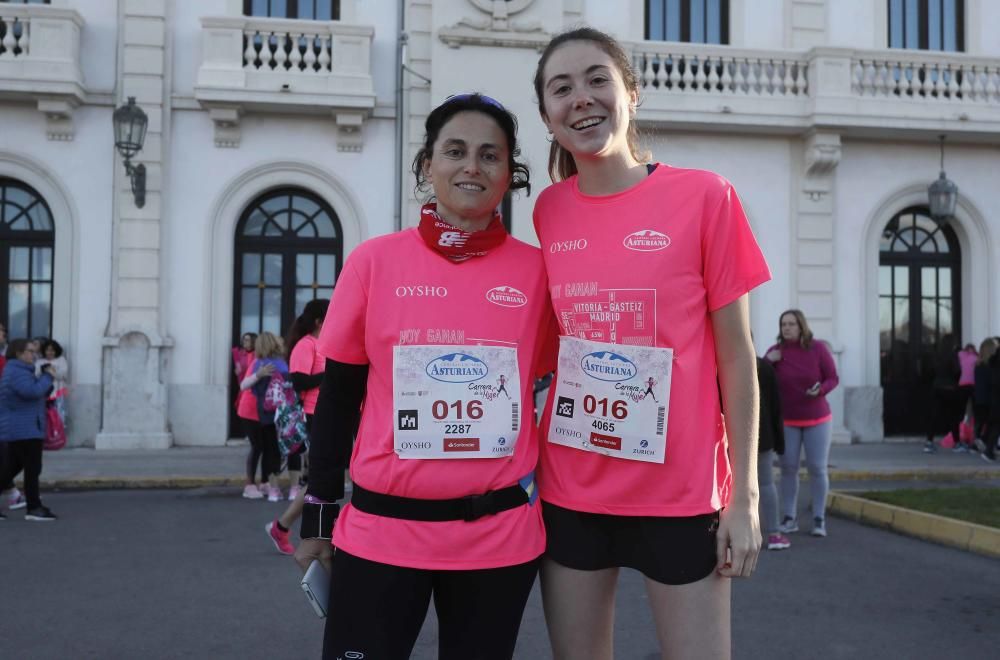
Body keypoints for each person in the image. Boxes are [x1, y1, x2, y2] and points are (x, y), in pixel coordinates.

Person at [532, 27, 770, 660]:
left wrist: (743, 497)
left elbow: (737, 358)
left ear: (630, 94)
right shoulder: (548, 211)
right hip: (572, 490)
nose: (580, 98)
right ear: (548, 117)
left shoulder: (705, 197)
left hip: (681, 494)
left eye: (596, 79)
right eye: (562, 88)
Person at [295, 93, 551, 660]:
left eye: (491, 155)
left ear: (509, 174)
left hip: (498, 539)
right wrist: (317, 513)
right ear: (426, 165)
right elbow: (339, 396)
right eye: (455, 151)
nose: (472, 166)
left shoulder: (538, 273)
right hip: (381, 533)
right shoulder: (373, 261)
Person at [765, 309, 839, 538]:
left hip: (817, 418)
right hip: (787, 421)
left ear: (801, 326)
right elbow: (759, 377)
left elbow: (833, 378)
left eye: (791, 324)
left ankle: (819, 518)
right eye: (783, 324)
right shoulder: (775, 353)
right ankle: (789, 518)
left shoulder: (817, 349)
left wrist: (821, 390)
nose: (786, 328)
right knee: (788, 469)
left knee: (817, 468)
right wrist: (768, 362)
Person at [265, 298, 329, 556]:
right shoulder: (305, 345)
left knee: (323, 480)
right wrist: (332, 374)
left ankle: (286, 528)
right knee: (320, 480)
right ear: (318, 321)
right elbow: (300, 381)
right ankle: (284, 527)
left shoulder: (323, 344)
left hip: (328, 413)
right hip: (315, 415)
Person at [0, 338, 57, 521]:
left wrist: (46, 381)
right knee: (32, 468)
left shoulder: (22, 371)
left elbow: (37, 394)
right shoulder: (16, 371)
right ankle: (34, 508)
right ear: (18, 353)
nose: (34, 355)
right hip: (23, 428)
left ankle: (34, 506)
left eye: (35, 352)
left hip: (26, 427)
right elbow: (31, 392)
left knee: (10, 469)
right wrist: (47, 377)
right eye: (31, 351)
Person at [239, 332, 287, 502]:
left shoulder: (277, 364)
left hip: (266, 412)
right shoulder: (257, 364)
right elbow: (243, 385)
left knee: (268, 448)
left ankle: (266, 481)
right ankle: (250, 484)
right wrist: (259, 374)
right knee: (257, 446)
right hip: (250, 411)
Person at [757, 353, 789, 551]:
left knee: (732, 487)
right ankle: (774, 534)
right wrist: (779, 440)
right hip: (762, 435)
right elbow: (776, 406)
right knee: (766, 483)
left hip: (730, 436)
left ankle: (731, 534)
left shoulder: (721, 364)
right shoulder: (764, 367)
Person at [924, 334, 961, 454]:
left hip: (936, 387)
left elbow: (930, 371)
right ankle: (956, 443)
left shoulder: (937, 355)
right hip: (949, 388)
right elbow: (957, 371)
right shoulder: (952, 355)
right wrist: (956, 382)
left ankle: (929, 442)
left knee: (934, 416)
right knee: (953, 417)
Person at [36, 339, 70, 428]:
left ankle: (59, 433)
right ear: (44, 351)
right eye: (47, 350)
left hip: (58, 391)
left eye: (52, 350)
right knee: (44, 413)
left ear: (56, 351)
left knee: (59, 412)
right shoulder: (39, 362)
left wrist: (51, 371)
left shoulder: (61, 360)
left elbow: (63, 375)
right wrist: (44, 370)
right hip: (43, 392)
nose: (50, 352)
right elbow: (35, 375)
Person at [973, 338, 997, 447]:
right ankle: (985, 442)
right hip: (988, 398)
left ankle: (977, 441)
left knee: (981, 422)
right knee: (991, 423)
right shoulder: (990, 366)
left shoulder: (978, 365)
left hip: (978, 398)